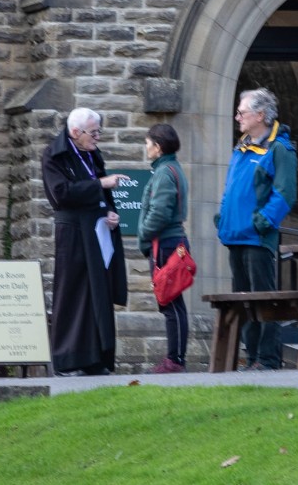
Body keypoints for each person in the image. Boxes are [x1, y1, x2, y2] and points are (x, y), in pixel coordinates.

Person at [41, 107, 128, 376]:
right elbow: (62, 194)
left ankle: (96, 359)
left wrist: (111, 213)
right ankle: (69, 360)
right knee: (74, 293)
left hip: (96, 230)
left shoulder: (92, 153)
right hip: (73, 235)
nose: (97, 137)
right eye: (93, 132)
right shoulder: (55, 156)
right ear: (75, 132)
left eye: (99, 131)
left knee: (96, 295)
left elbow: (101, 191)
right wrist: (101, 185)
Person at [216, 87, 298, 370]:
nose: (237, 117)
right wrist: (222, 218)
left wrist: (262, 222)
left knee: (263, 300)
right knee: (244, 302)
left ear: (260, 115)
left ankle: (268, 359)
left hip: (257, 238)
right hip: (235, 236)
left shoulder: (279, 149)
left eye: (242, 112)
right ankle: (252, 358)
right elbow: (231, 189)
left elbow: (285, 193)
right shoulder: (241, 147)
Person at [137, 123, 190, 374]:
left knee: (170, 303)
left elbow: (159, 213)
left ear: (158, 147)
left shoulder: (164, 173)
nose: (146, 148)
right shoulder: (169, 169)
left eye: (148, 144)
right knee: (171, 302)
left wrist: (144, 234)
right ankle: (175, 358)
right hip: (170, 243)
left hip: (166, 244)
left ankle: (175, 360)